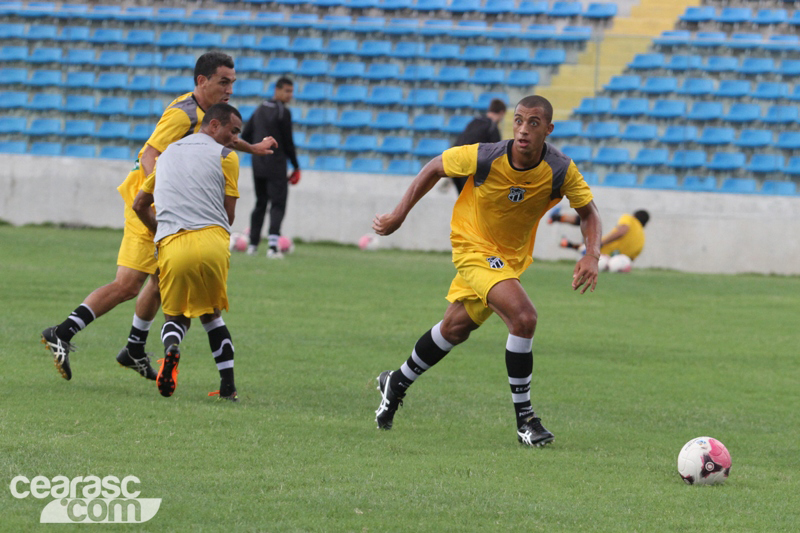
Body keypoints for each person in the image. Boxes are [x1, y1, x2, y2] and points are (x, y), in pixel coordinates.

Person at [371, 95, 602, 447]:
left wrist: (592, 254)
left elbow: (589, 212)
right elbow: (435, 166)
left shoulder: (559, 169)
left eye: (534, 123)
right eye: (519, 120)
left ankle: (396, 381)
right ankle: (526, 420)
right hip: (472, 245)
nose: (524, 129)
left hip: (508, 259)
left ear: (549, 129)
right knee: (524, 317)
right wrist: (399, 215)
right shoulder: (486, 155)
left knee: (454, 328)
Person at [41, 52, 276, 382]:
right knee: (128, 284)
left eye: (233, 83)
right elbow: (151, 153)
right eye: (224, 82)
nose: (230, 90)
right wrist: (162, 195)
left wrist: (253, 148)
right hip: (147, 203)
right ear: (201, 81)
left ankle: (134, 349)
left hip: (162, 205)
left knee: (162, 276)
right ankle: (61, 332)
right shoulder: (183, 115)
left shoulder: (209, 115)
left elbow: (220, 140)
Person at [132, 103, 262, 401]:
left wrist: (159, 229)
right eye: (233, 131)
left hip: (173, 243)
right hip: (212, 243)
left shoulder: (166, 157)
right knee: (212, 316)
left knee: (174, 315)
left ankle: (170, 351)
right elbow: (228, 216)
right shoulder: (227, 157)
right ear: (214, 125)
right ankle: (228, 387)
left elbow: (139, 204)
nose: (234, 139)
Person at [242, 77, 301, 259]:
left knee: (260, 203)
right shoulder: (283, 112)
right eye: (287, 91)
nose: (290, 95)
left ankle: (252, 245)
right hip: (276, 165)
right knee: (278, 203)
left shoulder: (260, 109)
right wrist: (296, 166)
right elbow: (288, 142)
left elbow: (246, 134)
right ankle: (273, 247)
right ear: (277, 90)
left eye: (291, 91)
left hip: (258, 164)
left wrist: (256, 150)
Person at [451, 98, 507, 195]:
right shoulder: (492, 127)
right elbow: (496, 155)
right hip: (470, 166)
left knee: (463, 199)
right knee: (472, 201)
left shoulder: (475, 121)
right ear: (501, 113)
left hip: (454, 161)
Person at [552, 208, 649, 261]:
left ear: (635, 215)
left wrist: (601, 242)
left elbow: (622, 231)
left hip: (597, 253)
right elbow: (629, 260)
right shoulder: (642, 240)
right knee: (587, 247)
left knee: (588, 219)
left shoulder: (630, 219)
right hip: (607, 261)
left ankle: (556, 217)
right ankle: (567, 244)